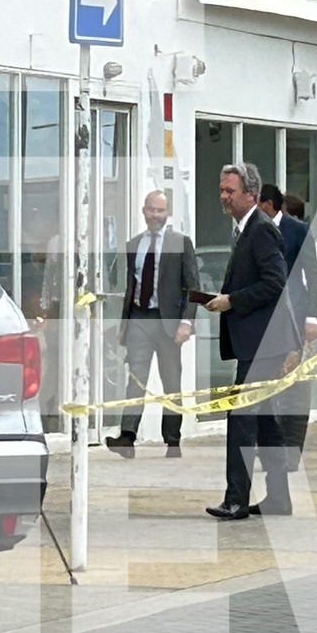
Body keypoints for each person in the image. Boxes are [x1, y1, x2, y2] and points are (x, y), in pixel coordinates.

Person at [203, 163, 300, 521]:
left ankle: (236, 499)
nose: (224, 197)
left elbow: (275, 282)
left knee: (241, 416)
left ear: (251, 195)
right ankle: (278, 497)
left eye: (231, 191)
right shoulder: (245, 229)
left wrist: (232, 300)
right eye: (222, 189)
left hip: (266, 342)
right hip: (259, 341)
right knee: (262, 421)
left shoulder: (260, 230)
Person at [105, 191, 200, 460]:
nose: (155, 215)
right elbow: (130, 286)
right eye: (151, 210)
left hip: (168, 323)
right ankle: (127, 437)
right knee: (135, 379)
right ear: (143, 210)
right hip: (139, 319)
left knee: (171, 382)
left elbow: (192, 285)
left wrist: (186, 322)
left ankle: (172, 441)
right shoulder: (134, 244)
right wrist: (124, 325)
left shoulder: (180, 243)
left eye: (160, 211)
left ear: (167, 213)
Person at [258, 183, 317, 470]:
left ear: (268, 204)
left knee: (295, 388)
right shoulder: (253, 230)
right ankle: (271, 448)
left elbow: (314, 277)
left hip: (296, 318)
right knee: (268, 387)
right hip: (264, 320)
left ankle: (292, 450)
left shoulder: (298, 230)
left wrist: (313, 317)